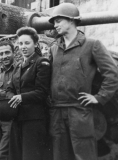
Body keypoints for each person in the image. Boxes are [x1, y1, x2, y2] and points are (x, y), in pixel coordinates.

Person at [48, 3, 118, 160]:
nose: (55, 25)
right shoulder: (54, 48)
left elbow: (112, 73)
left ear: (71, 20)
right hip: (57, 112)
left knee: (84, 155)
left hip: (79, 110)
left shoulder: (92, 45)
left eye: (58, 20)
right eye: (54, 22)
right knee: (60, 155)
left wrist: (99, 97)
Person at [7, 27, 51, 160]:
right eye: (20, 44)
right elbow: (9, 89)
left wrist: (21, 97)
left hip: (34, 120)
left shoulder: (41, 63)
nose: (23, 47)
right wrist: (12, 98)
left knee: (31, 156)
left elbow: (42, 92)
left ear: (36, 44)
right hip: (18, 118)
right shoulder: (18, 66)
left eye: (27, 43)